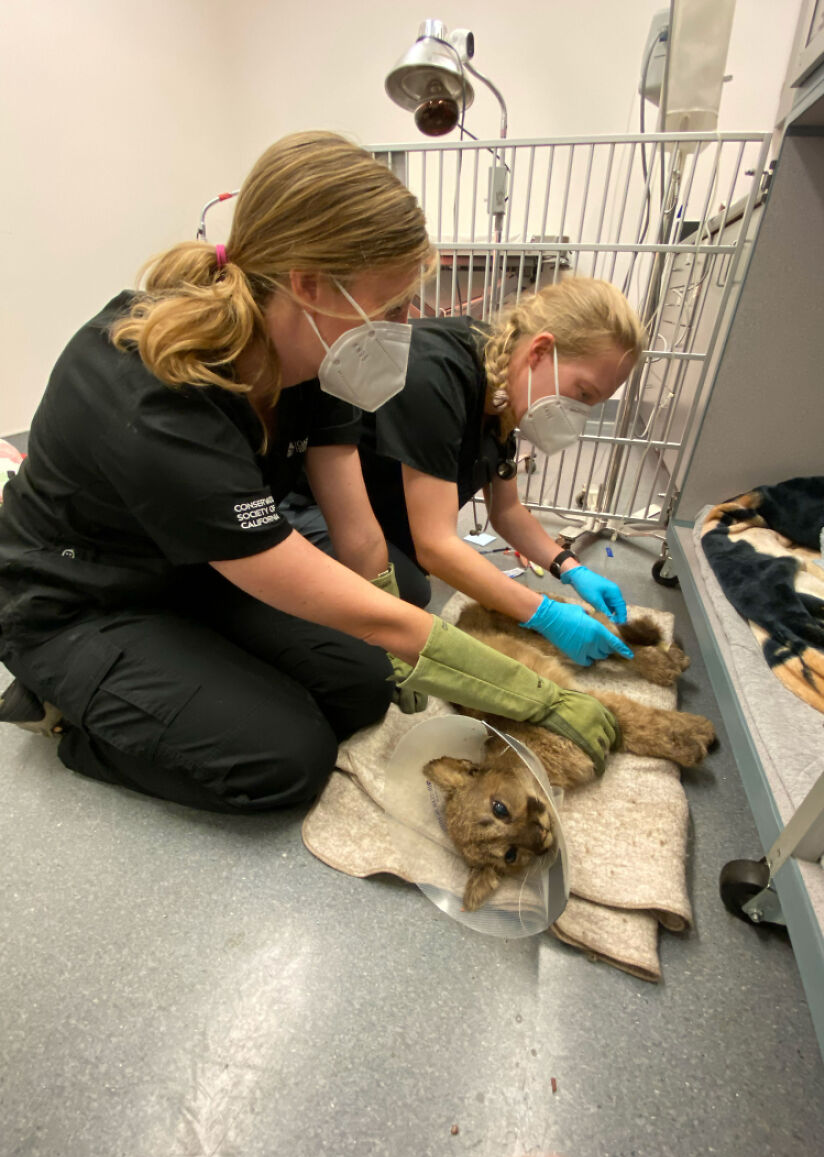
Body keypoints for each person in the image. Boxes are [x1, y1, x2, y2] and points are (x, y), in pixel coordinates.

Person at [0, 131, 618, 814]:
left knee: (362, 688)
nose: (406, 326)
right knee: (284, 760)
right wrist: (535, 695)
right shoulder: (158, 397)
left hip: (193, 568)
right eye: (391, 307)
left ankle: (186, 666)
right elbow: (311, 575)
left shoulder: (319, 356)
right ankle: (67, 720)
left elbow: (357, 536)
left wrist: (400, 646)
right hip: (78, 602)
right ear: (310, 284)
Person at [355, 277, 646, 666]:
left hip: (393, 517)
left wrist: (570, 568)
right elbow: (436, 545)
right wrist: (543, 614)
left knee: (411, 580)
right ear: (540, 351)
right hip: (325, 516)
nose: (579, 414)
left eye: (593, 404)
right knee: (408, 591)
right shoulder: (435, 373)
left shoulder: (503, 385)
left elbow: (507, 511)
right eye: (583, 393)